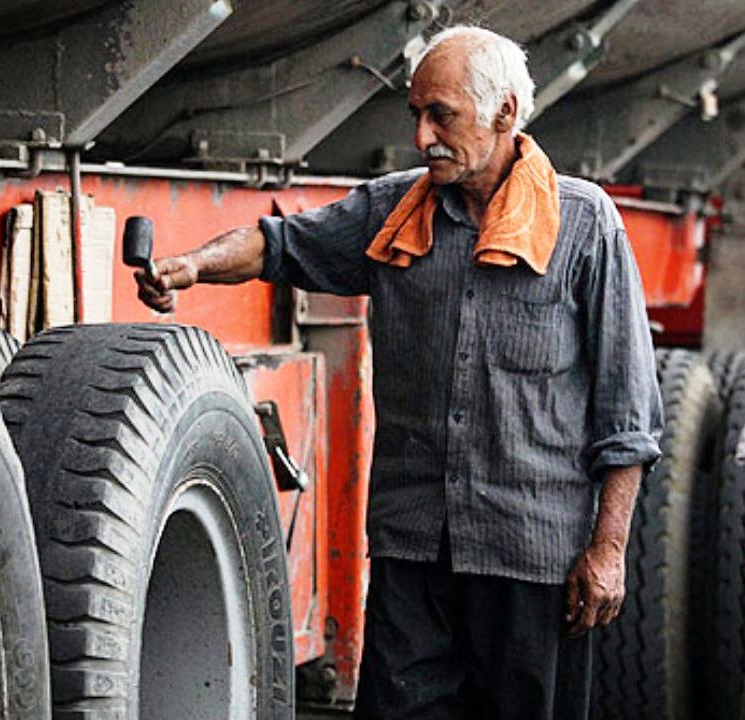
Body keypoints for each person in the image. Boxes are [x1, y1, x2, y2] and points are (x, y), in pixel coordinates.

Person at [133, 25, 663, 720]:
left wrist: (608, 551)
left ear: (504, 113)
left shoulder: (586, 224)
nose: (422, 136)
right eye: (416, 114)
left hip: (533, 566)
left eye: (441, 114)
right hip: (415, 556)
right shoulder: (393, 210)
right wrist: (193, 266)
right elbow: (278, 246)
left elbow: (629, 414)